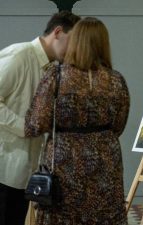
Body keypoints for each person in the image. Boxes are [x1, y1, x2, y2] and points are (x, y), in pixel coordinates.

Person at [25, 17, 130, 225]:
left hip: (64, 161)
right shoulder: (116, 80)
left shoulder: (56, 76)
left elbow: (36, 123)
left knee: (63, 216)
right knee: (103, 214)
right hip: (105, 159)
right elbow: (119, 124)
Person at [0, 11, 80, 225]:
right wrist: (26, 126)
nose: (75, 50)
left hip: (23, 169)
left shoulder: (52, 68)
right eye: (73, 42)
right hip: (4, 167)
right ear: (58, 32)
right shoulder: (20, 55)